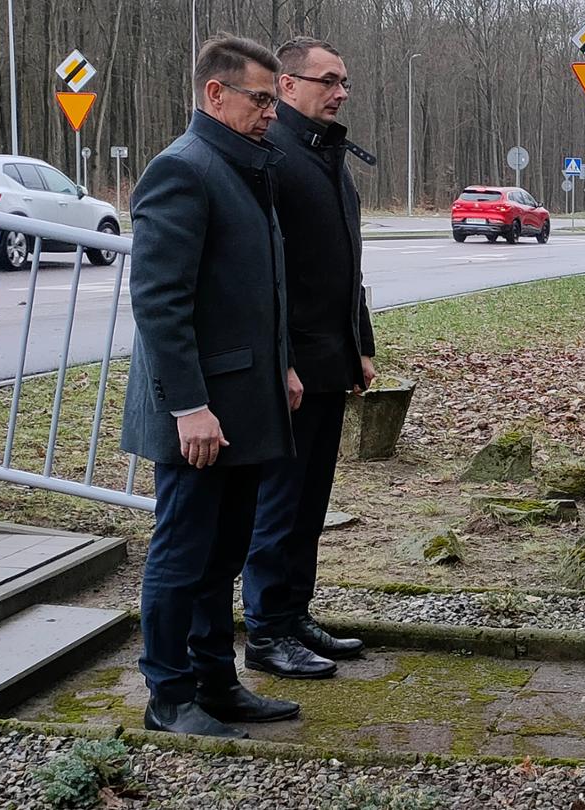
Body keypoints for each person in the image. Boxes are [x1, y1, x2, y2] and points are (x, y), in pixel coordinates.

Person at [123, 33, 306, 739]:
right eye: (262, 99)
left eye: (273, 99)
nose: (271, 112)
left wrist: (282, 365)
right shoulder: (184, 169)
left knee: (225, 551)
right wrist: (190, 407)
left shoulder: (242, 166)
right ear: (215, 94)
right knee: (183, 552)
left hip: (243, 401)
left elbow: (256, 288)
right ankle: (169, 695)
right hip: (198, 413)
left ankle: (216, 681)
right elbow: (161, 302)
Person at [237, 36, 378, 681]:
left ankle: (293, 614)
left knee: (312, 502)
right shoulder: (273, 155)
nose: (340, 91)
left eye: (344, 80)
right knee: (281, 502)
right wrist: (284, 362)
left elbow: (343, 263)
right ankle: (265, 630)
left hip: (331, 360)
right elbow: (264, 275)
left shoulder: (328, 155)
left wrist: (361, 346)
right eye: (327, 80)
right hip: (290, 370)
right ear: (288, 86)